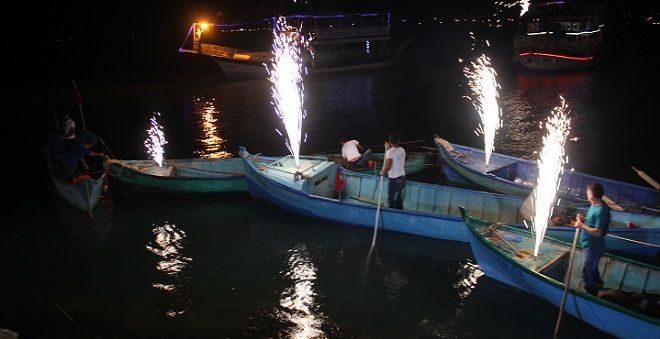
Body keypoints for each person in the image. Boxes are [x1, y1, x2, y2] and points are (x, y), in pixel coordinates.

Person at [572, 182, 611, 295]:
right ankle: (599, 286)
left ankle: (591, 293)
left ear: (592, 194)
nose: (586, 193)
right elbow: (592, 223)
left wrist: (581, 225)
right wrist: (583, 219)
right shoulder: (594, 206)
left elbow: (598, 232)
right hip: (588, 244)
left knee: (586, 272)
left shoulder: (601, 211)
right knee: (593, 270)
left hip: (594, 246)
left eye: (588, 191)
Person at [380, 133, 406, 209]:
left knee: (392, 200)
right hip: (403, 178)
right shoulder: (402, 150)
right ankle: (400, 213)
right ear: (399, 141)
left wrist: (383, 172)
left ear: (390, 142)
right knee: (399, 198)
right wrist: (388, 149)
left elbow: (388, 166)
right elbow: (394, 155)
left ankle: (392, 216)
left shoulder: (390, 152)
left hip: (394, 180)